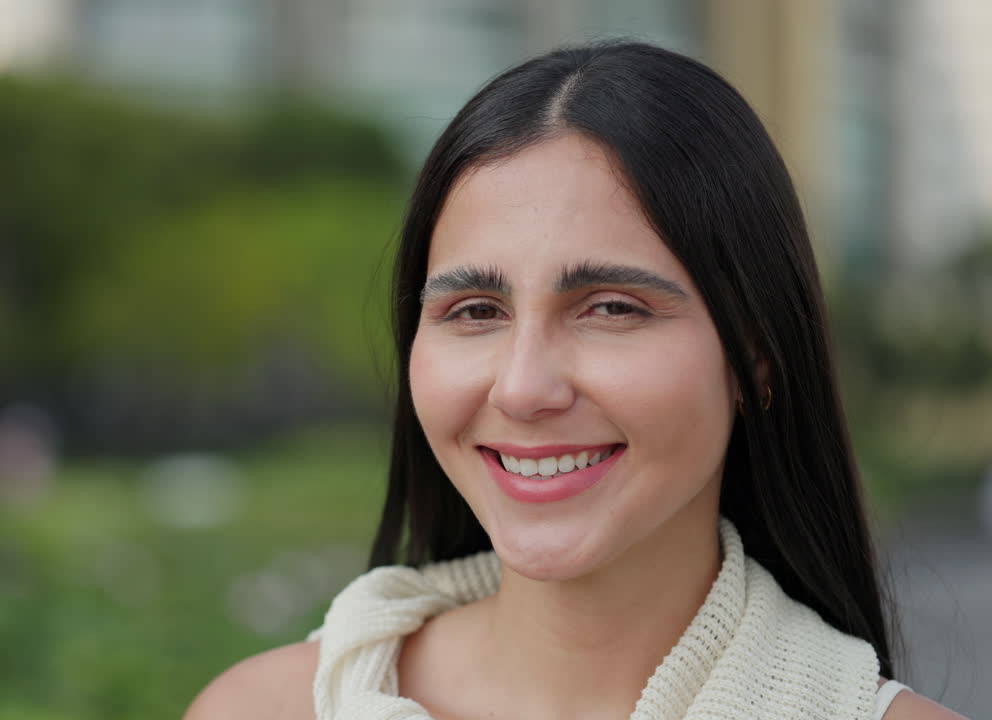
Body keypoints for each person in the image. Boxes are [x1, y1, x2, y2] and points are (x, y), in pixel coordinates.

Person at [185, 41, 966, 720]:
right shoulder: (261, 710)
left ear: (755, 355)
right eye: (475, 310)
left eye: (612, 308)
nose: (523, 389)